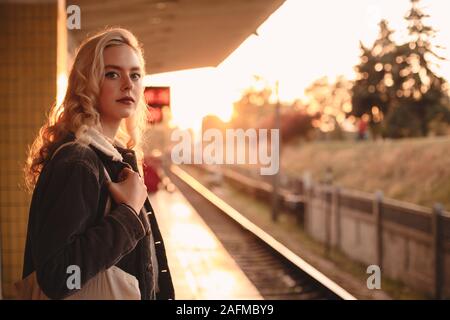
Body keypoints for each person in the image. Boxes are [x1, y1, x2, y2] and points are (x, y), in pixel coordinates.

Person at [21, 28, 174, 300]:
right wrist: (127, 214)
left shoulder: (110, 157)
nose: (128, 84)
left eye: (135, 75)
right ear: (87, 83)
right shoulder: (79, 162)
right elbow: (58, 275)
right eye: (112, 73)